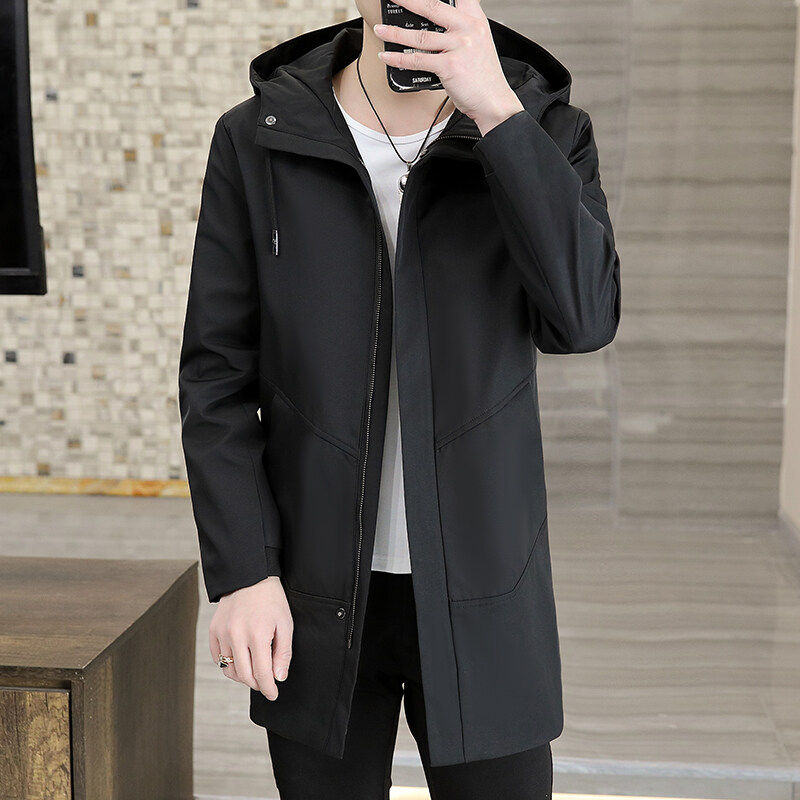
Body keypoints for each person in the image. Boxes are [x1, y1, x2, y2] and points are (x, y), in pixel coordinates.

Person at [178, 0, 621, 796]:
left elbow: (583, 320)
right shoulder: (258, 136)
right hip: (312, 595)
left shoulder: (544, 128)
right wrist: (244, 571)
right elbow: (216, 375)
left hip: (488, 590)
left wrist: (498, 115)